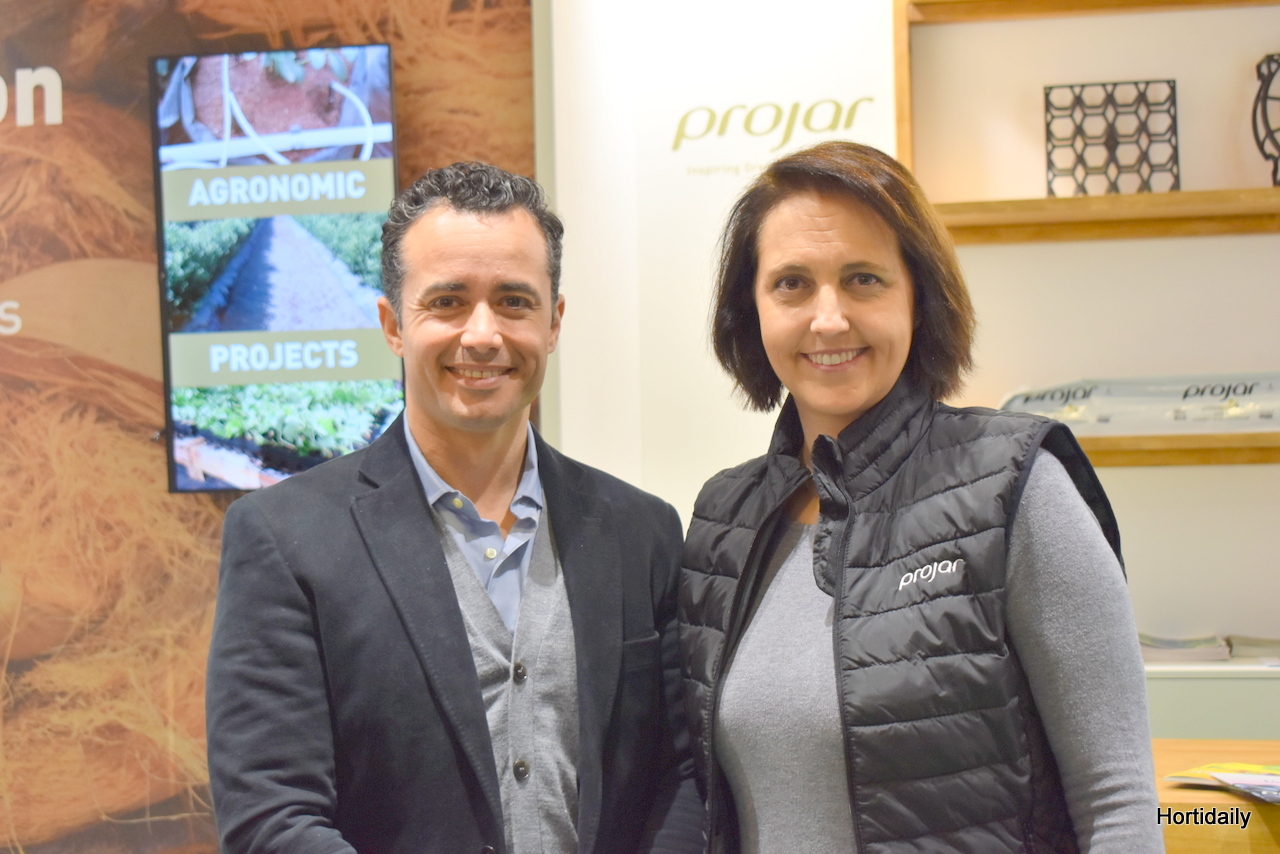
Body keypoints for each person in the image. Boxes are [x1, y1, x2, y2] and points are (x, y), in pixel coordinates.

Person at [679, 141, 1162, 854]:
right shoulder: (725, 520)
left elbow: (1117, 798)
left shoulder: (1015, 486)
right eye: (791, 284)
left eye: (863, 279)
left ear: (918, 297)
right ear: (750, 309)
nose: (828, 318)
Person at [206, 162, 702, 854]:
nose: (482, 334)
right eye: (447, 302)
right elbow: (271, 817)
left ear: (554, 322)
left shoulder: (640, 530)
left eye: (514, 301)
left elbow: (682, 779)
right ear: (392, 325)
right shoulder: (284, 539)